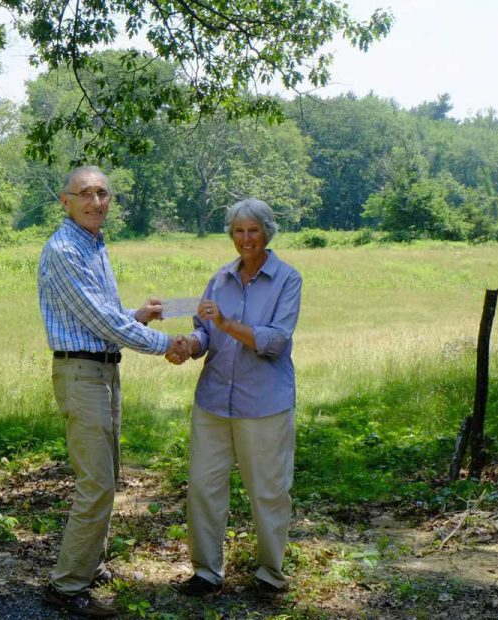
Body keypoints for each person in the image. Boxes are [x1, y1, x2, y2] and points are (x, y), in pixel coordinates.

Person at [38, 166, 189, 618]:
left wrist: (137, 315)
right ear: (65, 201)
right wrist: (166, 345)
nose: (95, 202)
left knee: (109, 472)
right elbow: (102, 324)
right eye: (85, 194)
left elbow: (100, 315)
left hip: (103, 371)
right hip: (82, 374)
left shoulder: (94, 244)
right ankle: (66, 588)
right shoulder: (65, 249)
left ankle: (88, 566)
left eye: (103, 193)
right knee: (97, 481)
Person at [171, 198, 302, 598]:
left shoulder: (287, 279)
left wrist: (226, 323)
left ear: (267, 232)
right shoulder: (220, 278)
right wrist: (188, 346)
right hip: (213, 400)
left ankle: (269, 574)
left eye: (253, 230)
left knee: (268, 490)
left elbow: (275, 342)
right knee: (203, 486)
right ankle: (206, 572)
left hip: (263, 403)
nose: (245, 239)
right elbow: (204, 332)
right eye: (238, 231)